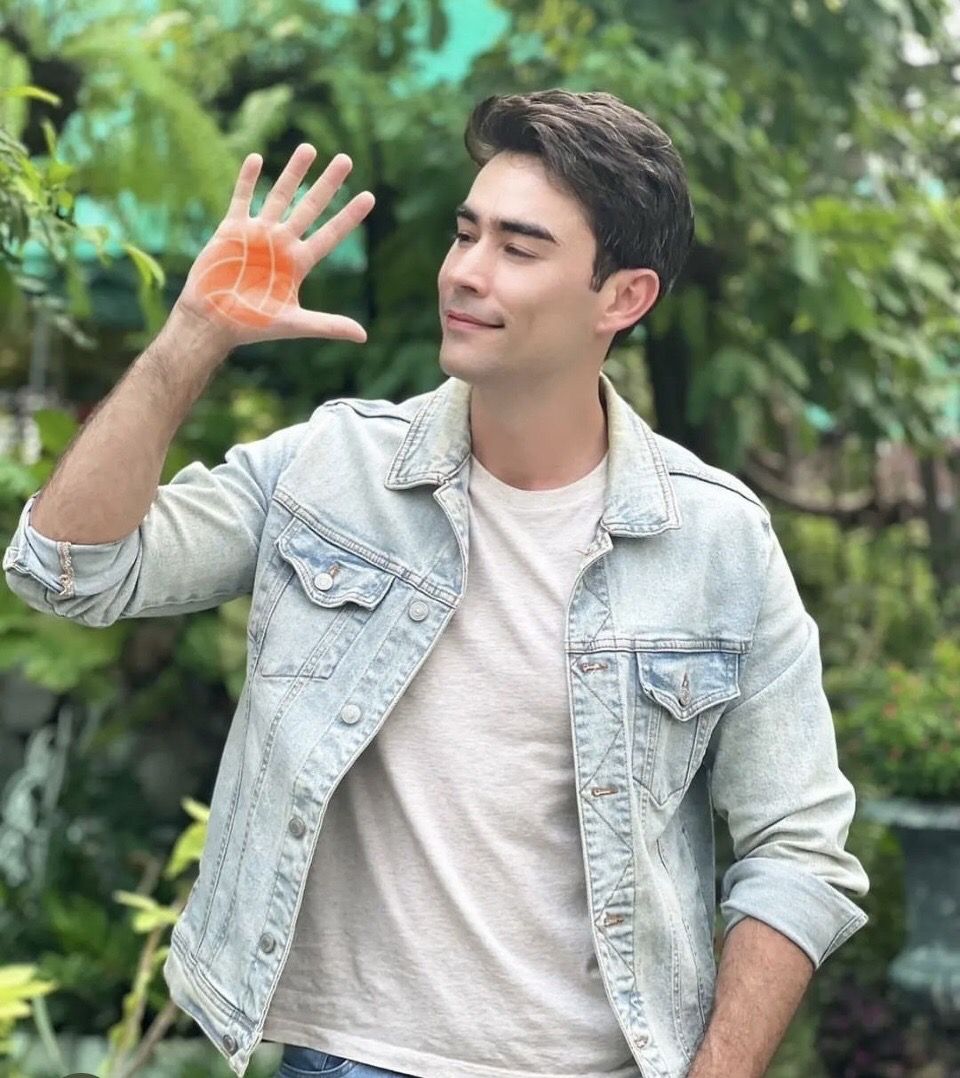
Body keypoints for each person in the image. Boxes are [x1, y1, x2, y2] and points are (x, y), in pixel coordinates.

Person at [3, 90, 869, 1078]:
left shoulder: (717, 543)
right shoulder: (330, 470)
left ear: (623, 298)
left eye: (519, 247)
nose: (466, 270)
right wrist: (192, 334)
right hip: (345, 1060)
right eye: (466, 234)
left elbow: (800, 849)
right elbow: (67, 571)